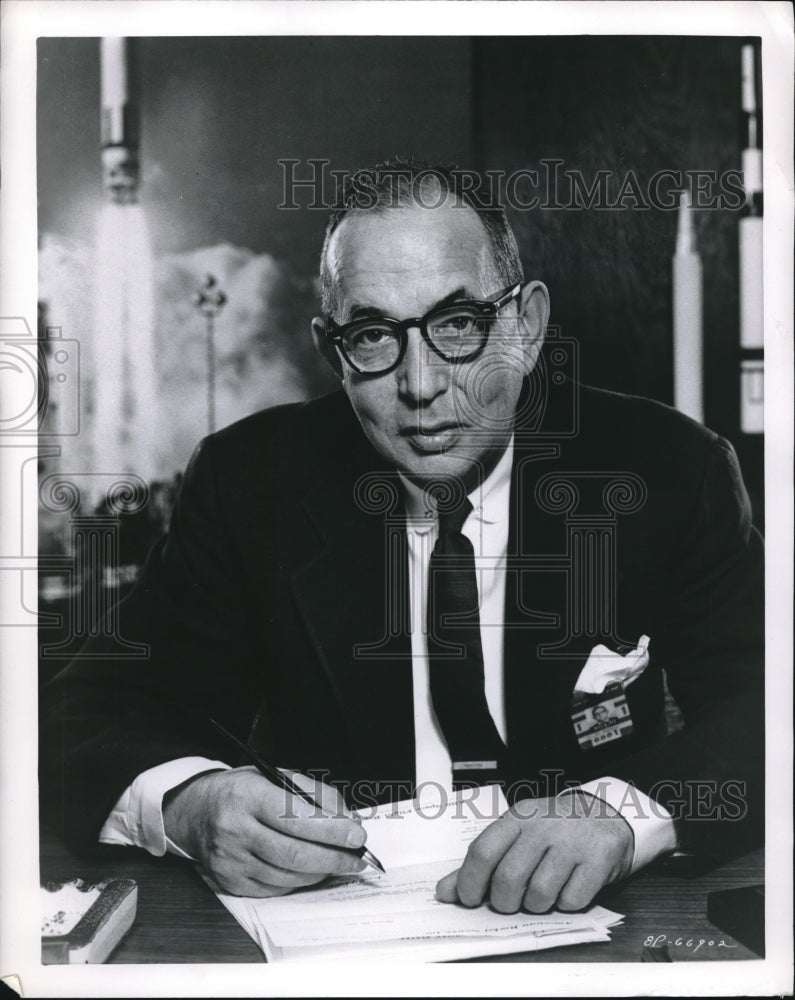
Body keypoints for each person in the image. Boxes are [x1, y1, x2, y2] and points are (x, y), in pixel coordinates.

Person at [40, 160, 764, 917]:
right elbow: (84, 713)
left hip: (604, 922)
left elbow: (769, 705)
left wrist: (623, 811)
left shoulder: (666, 469)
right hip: (336, 925)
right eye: (373, 334)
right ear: (333, 349)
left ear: (524, 324)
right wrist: (187, 802)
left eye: (458, 324)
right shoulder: (250, 482)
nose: (419, 385)